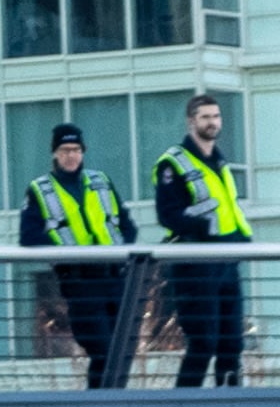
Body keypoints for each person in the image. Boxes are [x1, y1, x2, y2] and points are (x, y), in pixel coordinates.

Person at [150, 85, 252, 385]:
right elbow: (167, 215)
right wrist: (205, 231)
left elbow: (229, 210)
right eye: (205, 116)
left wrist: (241, 240)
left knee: (232, 344)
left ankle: (232, 406)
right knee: (203, 343)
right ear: (191, 122)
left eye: (217, 116)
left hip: (227, 261)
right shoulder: (174, 163)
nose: (213, 122)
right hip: (195, 263)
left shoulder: (220, 162)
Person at [21, 118, 134, 374]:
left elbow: (127, 225)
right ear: (55, 154)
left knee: (121, 351)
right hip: (80, 282)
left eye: (76, 150)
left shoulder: (101, 181)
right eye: (65, 151)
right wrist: (64, 255)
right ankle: (100, 406)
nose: (71, 156)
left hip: (116, 276)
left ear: (83, 152)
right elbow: (29, 236)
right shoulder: (40, 190)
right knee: (102, 350)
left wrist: (123, 250)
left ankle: (110, 405)